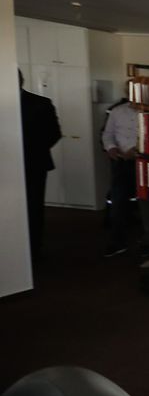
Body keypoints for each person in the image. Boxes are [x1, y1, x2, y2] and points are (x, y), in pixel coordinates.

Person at [18, 69, 62, 261]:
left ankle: (33, 251)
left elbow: (54, 133)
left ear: (20, 80)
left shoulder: (41, 104)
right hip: (5, 168)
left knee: (33, 208)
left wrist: (28, 150)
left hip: (33, 164)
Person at [101, 93, 139, 257]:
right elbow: (107, 134)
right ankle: (118, 241)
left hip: (144, 161)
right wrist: (111, 148)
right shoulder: (116, 111)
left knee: (147, 203)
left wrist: (138, 149)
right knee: (118, 200)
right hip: (121, 162)